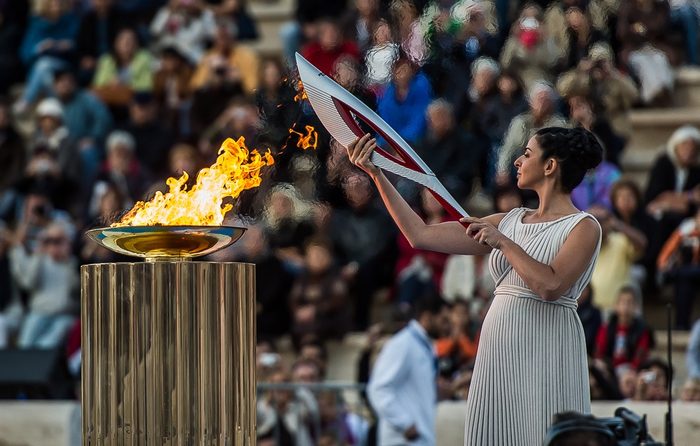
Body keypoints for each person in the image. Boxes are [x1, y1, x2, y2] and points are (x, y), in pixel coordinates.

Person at [348, 125, 603, 444]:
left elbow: (550, 286)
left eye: (526, 154)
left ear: (550, 166)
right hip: (498, 347)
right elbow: (420, 235)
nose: (517, 162)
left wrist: (504, 243)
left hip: (547, 343)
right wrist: (377, 175)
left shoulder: (583, 226)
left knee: (542, 432)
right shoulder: (509, 220)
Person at [367, 294, 444, 446]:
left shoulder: (427, 347)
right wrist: (405, 423)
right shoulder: (402, 344)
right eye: (444, 320)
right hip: (402, 440)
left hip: (422, 438)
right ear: (427, 317)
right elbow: (378, 388)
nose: (447, 326)